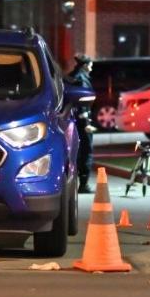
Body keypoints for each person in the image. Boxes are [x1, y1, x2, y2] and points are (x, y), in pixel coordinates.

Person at [68, 54, 97, 193]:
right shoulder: (82, 80)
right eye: (91, 65)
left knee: (75, 151)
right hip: (82, 122)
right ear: (85, 65)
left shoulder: (72, 77)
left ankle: (73, 181)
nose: (91, 68)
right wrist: (86, 123)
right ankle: (84, 184)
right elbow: (83, 103)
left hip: (72, 121)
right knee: (86, 151)